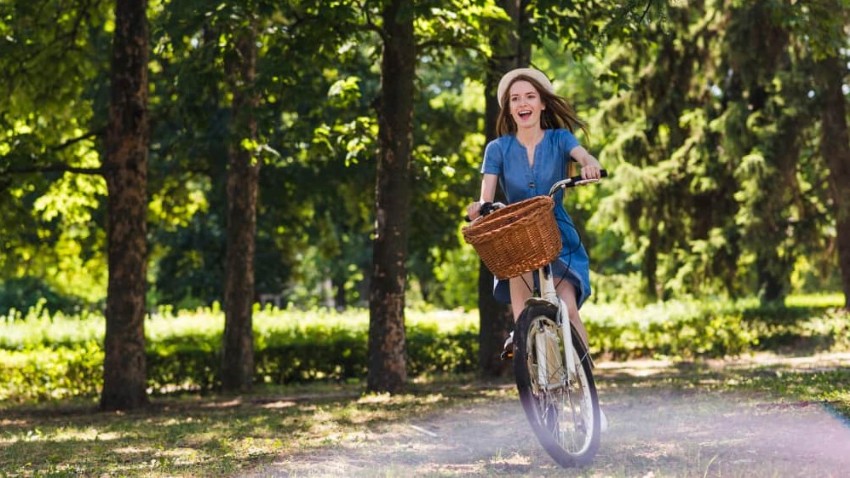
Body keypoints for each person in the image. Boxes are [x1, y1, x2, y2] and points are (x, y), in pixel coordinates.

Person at [466, 67, 603, 359]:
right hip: (518, 236)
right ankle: (535, 382)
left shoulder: (560, 139)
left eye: (530, 96)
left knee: (567, 308)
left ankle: (587, 388)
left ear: (542, 103)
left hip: (558, 234)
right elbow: (485, 197)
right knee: (524, 318)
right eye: (515, 99)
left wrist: (588, 165)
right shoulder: (497, 149)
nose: (522, 103)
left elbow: (583, 155)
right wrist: (479, 209)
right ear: (509, 108)